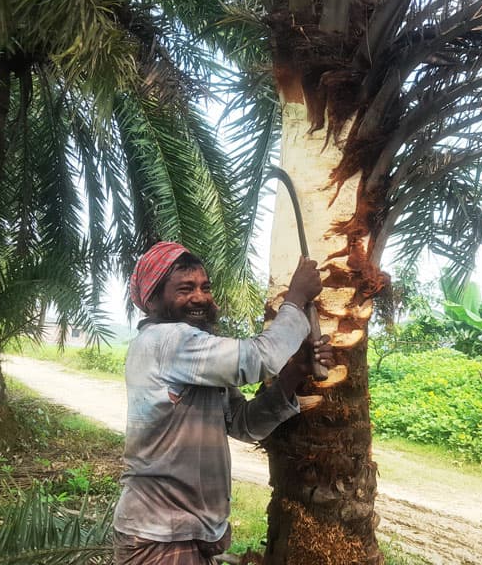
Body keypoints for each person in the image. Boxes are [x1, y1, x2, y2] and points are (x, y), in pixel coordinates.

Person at [113, 241, 331, 565]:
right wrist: (296, 299)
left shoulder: (195, 356)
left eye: (205, 287)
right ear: (154, 300)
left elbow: (242, 423)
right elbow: (259, 358)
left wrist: (295, 371)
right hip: (161, 539)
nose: (200, 297)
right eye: (185, 289)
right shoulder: (165, 341)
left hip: (189, 534)